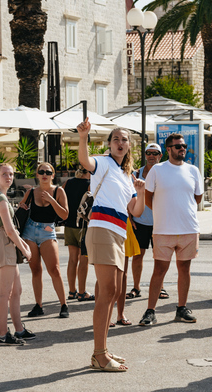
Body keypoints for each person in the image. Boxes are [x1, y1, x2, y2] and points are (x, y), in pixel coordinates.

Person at [76, 119, 145, 372]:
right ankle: (99, 355)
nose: (120, 142)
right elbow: (85, 162)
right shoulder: (103, 162)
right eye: (116, 138)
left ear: (129, 146)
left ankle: (102, 350)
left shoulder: (128, 176)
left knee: (114, 292)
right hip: (102, 229)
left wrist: (142, 191)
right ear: (109, 144)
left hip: (118, 233)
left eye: (124, 139)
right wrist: (83, 136)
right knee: (106, 293)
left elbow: (135, 211)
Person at [139, 133, 205, 326]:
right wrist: (163, 211)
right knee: (159, 270)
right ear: (168, 150)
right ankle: (150, 311)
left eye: (183, 146)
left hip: (189, 228)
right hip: (163, 229)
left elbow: (197, 198)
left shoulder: (193, 170)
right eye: (177, 146)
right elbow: (148, 198)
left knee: (185, 269)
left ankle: (181, 308)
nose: (182, 149)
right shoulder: (157, 170)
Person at [0, 163, 35, 345]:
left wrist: (22, 245)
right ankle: (2, 334)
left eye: (11, 174)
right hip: (3, 241)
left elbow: (11, 229)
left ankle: (19, 330)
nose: (8, 177)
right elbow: (8, 229)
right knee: (5, 292)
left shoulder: (1, 196)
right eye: (4, 174)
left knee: (16, 290)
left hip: (5, 240)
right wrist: (24, 248)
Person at [19, 162, 70, 318]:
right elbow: (21, 210)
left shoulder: (59, 191)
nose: (45, 175)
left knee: (54, 269)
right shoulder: (31, 192)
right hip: (30, 231)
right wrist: (22, 207)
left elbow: (65, 215)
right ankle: (38, 305)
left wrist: (52, 200)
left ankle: (63, 305)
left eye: (48, 172)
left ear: (53, 175)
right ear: (37, 175)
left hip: (48, 231)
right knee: (36, 270)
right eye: (41, 172)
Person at [127, 143, 166, 301]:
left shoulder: (165, 173)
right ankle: (136, 287)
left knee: (160, 258)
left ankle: (161, 287)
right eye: (148, 153)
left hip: (160, 222)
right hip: (140, 221)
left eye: (155, 153)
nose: (151, 156)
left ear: (160, 155)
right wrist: (130, 216)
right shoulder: (135, 174)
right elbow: (128, 196)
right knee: (138, 256)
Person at [62, 166, 95, 302]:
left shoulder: (68, 183)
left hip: (69, 225)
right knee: (84, 259)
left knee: (72, 259)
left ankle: (71, 291)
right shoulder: (90, 186)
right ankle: (82, 292)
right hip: (83, 226)